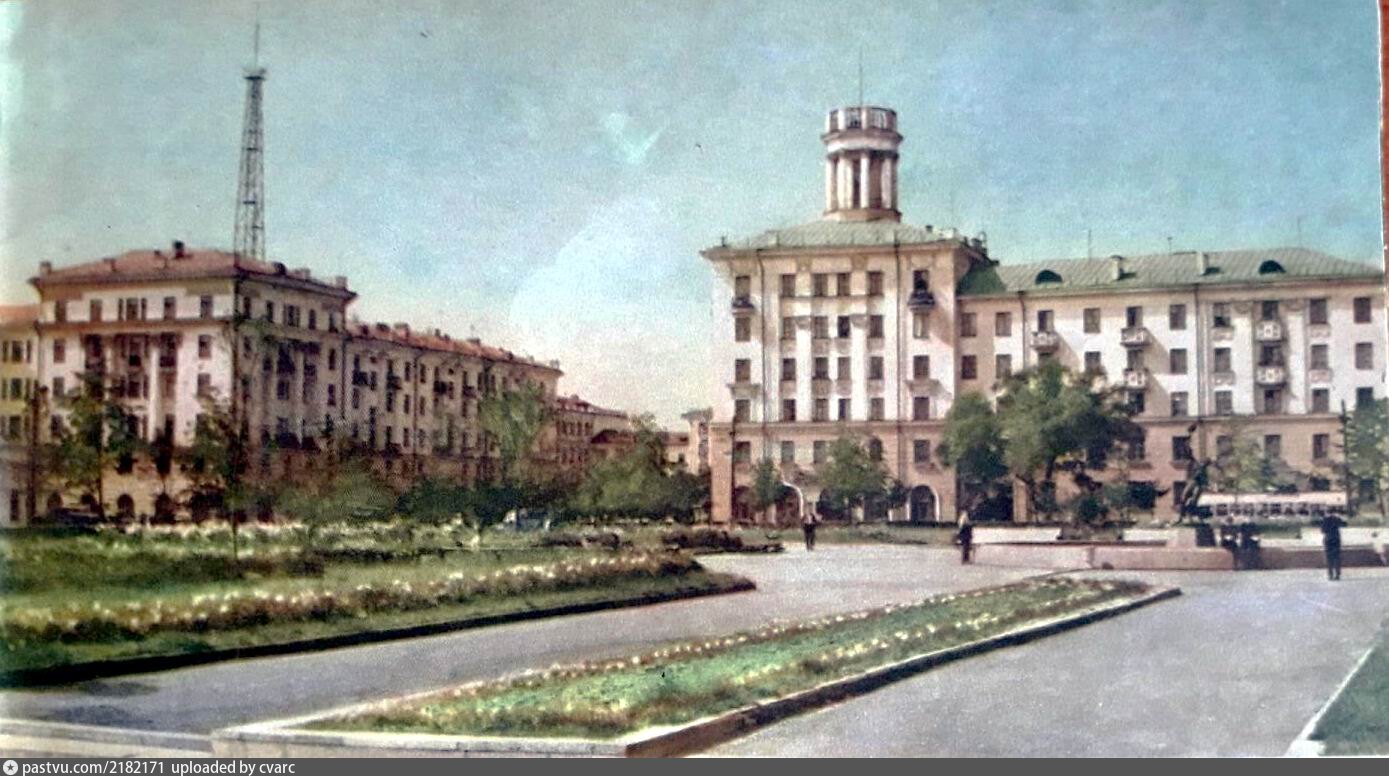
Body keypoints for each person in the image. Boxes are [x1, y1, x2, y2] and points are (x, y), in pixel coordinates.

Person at [1320, 512, 1347, 581]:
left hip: (1328, 539)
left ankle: (1330, 574)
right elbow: (1344, 524)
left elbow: (1322, 530)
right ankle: (1337, 574)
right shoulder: (1336, 519)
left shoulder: (1325, 519)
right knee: (1337, 557)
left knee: (1329, 558)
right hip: (1336, 539)